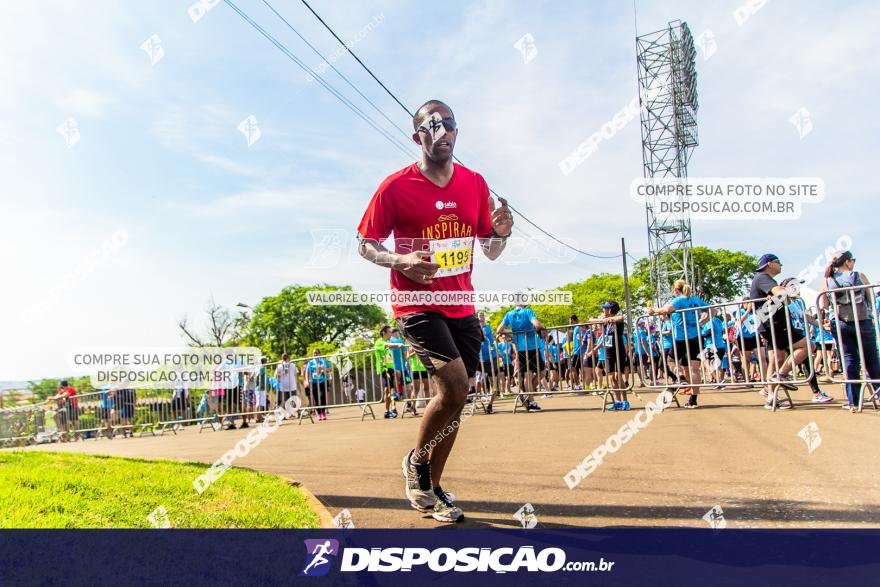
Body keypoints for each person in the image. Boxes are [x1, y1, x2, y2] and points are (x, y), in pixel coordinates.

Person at [357, 99, 512, 522]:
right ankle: (420, 472)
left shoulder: (475, 184)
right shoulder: (396, 187)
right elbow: (366, 243)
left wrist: (501, 234)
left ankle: (430, 483)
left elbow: (491, 251)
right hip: (416, 304)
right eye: (431, 125)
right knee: (455, 384)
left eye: (448, 125)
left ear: (457, 134)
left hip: (461, 306)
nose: (441, 132)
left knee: (457, 398)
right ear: (418, 136)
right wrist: (401, 261)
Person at [748, 254, 832, 408]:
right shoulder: (762, 277)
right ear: (769, 264)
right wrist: (785, 293)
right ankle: (781, 376)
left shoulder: (763, 279)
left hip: (773, 324)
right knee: (809, 346)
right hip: (775, 324)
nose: (781, 265)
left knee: (777, 359)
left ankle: (771, 396)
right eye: (778, 262)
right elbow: (778, 291)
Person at [821, 250, 880, 412]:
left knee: (849, 361)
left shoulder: (827, 280)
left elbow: (824, 305)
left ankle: (853, 401)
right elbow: (871, 300)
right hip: (862, 321)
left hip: (840, 323)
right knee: (871, 359)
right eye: (852, 260)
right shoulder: (859, 275)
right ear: (847, 262)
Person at [648, 280, 707, 408]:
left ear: (675, 290)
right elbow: (713, 311)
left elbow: (668, 309)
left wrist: (654, 310)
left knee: (670, 360)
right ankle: (693, 399)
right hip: (696, 336)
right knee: (695, 369)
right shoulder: (696, 300)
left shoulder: (679, 300)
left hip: (682, 337)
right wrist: (701, 322)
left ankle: (680, 378)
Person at [498, 304, 543, 411]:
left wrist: (512, 335)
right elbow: (537, 324)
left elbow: (499, 330)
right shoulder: (528, 311)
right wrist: (541, 329)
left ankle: (526, 394)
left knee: (531, 375)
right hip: (531, 347)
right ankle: (531, 401)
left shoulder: (509, 314)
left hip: (521, 349)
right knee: (541, 373)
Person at [599, 301, 630, 410]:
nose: (604, 310)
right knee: (612, 377)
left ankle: (625, 401)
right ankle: (618, 401)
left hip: (619, 350)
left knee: (618, 376)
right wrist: (604, 320)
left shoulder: (618, 320)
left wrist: (611, 319)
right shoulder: (603, 320)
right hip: (608, 350)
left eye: (606, 308)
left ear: (611, 309)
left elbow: (621, 318)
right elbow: (590, 321)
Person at [305, 350, 332, 420]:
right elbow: (307, 372)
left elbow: (330, 369)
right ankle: (319, 413)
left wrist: (323, 368)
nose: (315, 354)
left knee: (323, 397)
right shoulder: (310, 362)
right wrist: (307, 381)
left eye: (316, 353)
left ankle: (323, 413)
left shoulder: (323, 361)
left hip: (323, 381)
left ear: (319, 354)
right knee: (316, 398)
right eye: (314, 353)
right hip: (314, 382)